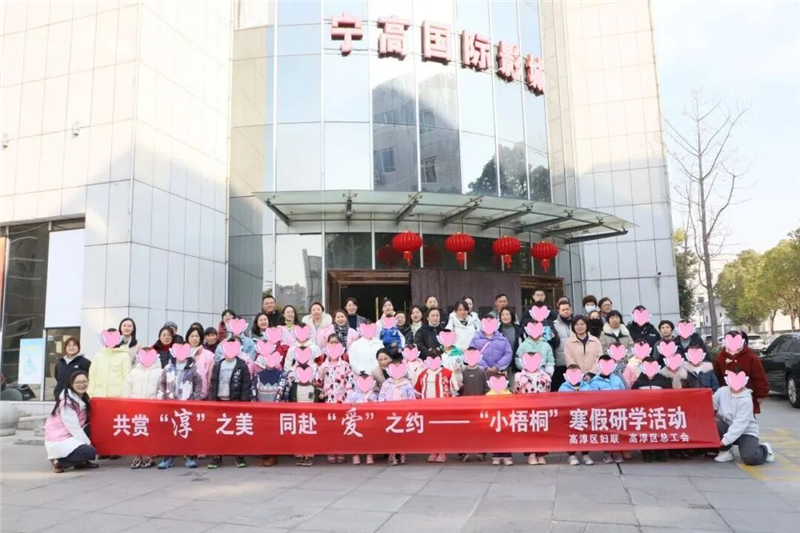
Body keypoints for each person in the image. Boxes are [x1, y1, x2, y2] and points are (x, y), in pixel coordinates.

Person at [157, 343, 203, 469]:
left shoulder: (193, 368)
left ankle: (189, 457)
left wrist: (196, 401)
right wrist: (161, 400)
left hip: (187, 406)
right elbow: (161, 384)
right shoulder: (168, 368)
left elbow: (199, 385)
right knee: (169, 432)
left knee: (187, 431)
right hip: (170, 405)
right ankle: (168, 458)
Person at [713, 369, 774, 465]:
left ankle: (765, 449)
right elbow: (710, 405)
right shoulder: (721, 391)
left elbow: (740, 424)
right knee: (714, 421)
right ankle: (726, 451)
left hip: (745, 431)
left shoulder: (746, 400)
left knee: (750, 458)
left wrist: (725, 440)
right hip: (726, 426)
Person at [208, 340, 252, 469]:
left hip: (235, 402)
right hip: (220, 401)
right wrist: (212, 400)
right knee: (219, 431)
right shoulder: (218, 365)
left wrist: (244, 403)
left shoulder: (242, 365)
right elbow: (212, 384)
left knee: (238, 430)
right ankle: (217, 456)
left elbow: (246, 385)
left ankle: (239, 456)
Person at [44, 371, 97, 473]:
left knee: (94, 428)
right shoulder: (67, 402)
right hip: (60, 438)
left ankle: (80, 462)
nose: (82, 385)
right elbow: (73, 427)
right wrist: (88, 444)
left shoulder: (82, 398)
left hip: (70, 435)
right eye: (78, 382)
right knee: (90, 452)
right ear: (71, 384)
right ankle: (59, 462)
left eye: (84, 381)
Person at [316, 336, 355, 464]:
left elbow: (350, 383)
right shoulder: (323, 365)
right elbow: (317, 383)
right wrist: (321, 373)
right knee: (330, 427)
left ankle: (341, 450)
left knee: (341, 426)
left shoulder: (345, 365)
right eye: (331, 343)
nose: (333, 345)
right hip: (328, 401)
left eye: (336, 343)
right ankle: (331, 450)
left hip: (342, 401)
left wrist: (348, 399)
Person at [123, 348, 162, 469]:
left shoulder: (160, 372)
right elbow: (127, 389)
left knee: (150, 433)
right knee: (137, 432)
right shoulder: (133, 372)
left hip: (152, 407)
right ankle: (137, 456)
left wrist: (157, 401)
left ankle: (149, 456)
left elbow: (161, 388)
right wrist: (127, 403)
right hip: (135, 407)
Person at [252, 347, 291, 466]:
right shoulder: (257, 375)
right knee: (261, 432)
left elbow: (285, 392)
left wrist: (282, 405)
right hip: (261, 408)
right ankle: (263, 454)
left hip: (275, 408)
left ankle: (273, 456)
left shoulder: (282, 375)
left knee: (273, 433)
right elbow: (253, 391)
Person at [713, 331, 769, 413]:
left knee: (745, 420)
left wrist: (759, 396)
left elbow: (760, 378)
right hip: (726, 402)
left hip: (747, 400)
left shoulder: (751, 358)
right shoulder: (720, 358)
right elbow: (716, 379)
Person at [631, 357, 672, 462]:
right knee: (645, 432)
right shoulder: (638, 382)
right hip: (644, 412)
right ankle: (647, 453)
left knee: (660, 432)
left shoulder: (662, 381)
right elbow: (632, 397)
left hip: (659, 412)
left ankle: (660, 452)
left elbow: (669, 396)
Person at [587, 355, 626, 463]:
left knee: (617, 432)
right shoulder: (594, 382)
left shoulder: (617, 379)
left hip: (617, 411)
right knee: (606, 432)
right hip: (603, 411)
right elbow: (593, 399)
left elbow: (625, 393)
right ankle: (607, 452)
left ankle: (617, 452)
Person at [379, 352, 417, 465]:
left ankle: (403, 454)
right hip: (390, 414)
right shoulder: (386, 384)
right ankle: (392, 455)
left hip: (403, 413)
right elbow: (381, 397)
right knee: (391, 435)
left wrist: (411, 410)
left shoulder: (407, 384)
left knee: (403, 434)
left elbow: (412, 398)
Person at [514, 352, 552, 465]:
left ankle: (541, 454)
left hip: (541, 407)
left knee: (541, 430)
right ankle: (531, 454)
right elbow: (517, 391)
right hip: (526, 407)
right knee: (529, 430)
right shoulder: (519, 376)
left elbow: (548, 390)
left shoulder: (545, 376)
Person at [558, 365, 593, 465]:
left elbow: (593, 399)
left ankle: (585, 454)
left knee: (585, 434)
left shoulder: (587, 386)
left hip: (584, 415)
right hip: (569, 416)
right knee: (571, 435)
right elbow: (559, 402)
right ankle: (571, 455)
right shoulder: (563, 387)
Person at [87, 330, 132, 398]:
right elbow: (92, 376)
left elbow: (127, 377)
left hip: (117, 397)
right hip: (98, 396)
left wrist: (125, 396)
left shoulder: (124, 356)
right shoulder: (98, 355)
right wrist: (89, 394)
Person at [486, 376, 514, 466]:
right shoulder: (488, 395)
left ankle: (507, 457)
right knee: (495, 438)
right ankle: (496, 456)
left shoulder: (509, 394)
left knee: (507, 438)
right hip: (494, 419)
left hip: (506, 419)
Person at [185, 325, 215, 399]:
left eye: (197, 336)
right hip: (184, 394)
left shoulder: (209, 355)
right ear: (187, 338)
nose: (194, 338)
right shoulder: (182, 354)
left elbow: (211, 377)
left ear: (200, 338)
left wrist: (210, 394)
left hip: (202, 394)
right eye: (192, 336)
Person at [551, 299, 573, 390]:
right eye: (563, 310)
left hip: (574, 362)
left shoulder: (577, 324)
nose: (566, 311)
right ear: (559, 311)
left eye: (567, 309)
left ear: (571, 309)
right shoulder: (554, 325)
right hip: (560, 362)